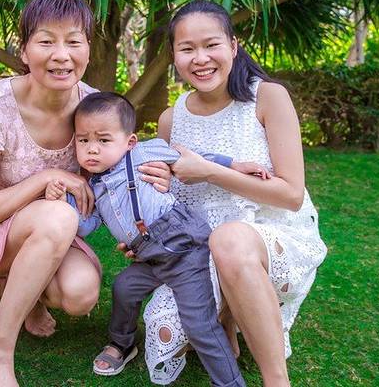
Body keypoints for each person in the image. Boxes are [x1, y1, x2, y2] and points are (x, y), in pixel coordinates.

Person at [0, 0, 170, 387]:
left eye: (74, 41)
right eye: (46, 41)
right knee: (58, 216)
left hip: (47, 230)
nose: (62, 55)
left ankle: (29, 293)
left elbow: (121, 168)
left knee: (80, 294)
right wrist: (44, 179)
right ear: (24, 50)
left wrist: (153, 192)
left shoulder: (93, 107)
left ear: (88, 49)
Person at [140, 0, 328, 387]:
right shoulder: (171, 119)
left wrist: (211, 171)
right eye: (187, 49)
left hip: (270, 236)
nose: (200, 58)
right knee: (165, 328)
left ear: (233, 45)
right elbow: (170, 200)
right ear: (173, 55)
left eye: (211, 45)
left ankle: (276, 380)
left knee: (230, 239)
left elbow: (291, 194)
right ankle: (227, 320)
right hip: (200, 250)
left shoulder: (267, 97)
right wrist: (142, 232)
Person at [46, 92, 270, 386]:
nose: (92, 149)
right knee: (124, 287)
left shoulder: (143, 153)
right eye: (83, 140)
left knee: (198, 324)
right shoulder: (94, 189)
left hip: (184, 250)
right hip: (149, 257)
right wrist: (60, 202)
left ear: (130, 142)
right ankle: (122, 343)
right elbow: (84, 226)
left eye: (103, 140)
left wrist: (233, 165)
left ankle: (230, 382)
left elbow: (193, 158)